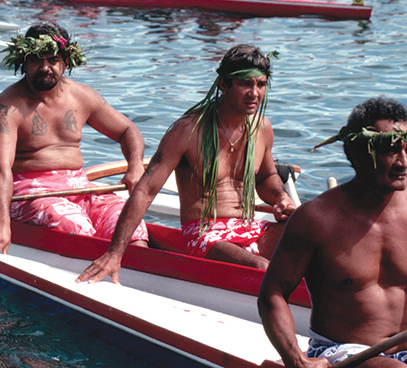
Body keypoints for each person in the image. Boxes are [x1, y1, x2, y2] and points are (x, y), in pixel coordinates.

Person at [258, 97, 407, 368]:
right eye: (390, 151)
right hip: (343, 353)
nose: (403, 162)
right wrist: (296, 359)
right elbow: (273, 293)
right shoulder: (316, 218)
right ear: (357, 154)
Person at [78, 45, 297, 283]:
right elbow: (145, 190)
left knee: (309, 239)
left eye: (261, 84)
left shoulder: (261, 127)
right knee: (262, 268)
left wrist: (280, 198)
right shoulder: (188, 131)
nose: (254, 93)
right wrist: (114, 253)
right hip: (205, 234)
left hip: (249, 225)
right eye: (246, 83)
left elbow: (266, 178)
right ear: (224, 84)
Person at [0, 22, 149, 262]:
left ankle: (139, 278)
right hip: (29, 193)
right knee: (78, 228)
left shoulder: (82, 96)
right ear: (23, 62)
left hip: (81, 187)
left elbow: (128, 130)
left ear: (66, 62)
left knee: (132, 225)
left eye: (53, 60)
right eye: (37, 60)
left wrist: (134, 167)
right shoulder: (7, 107)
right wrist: (0, 223)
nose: (45, 67)